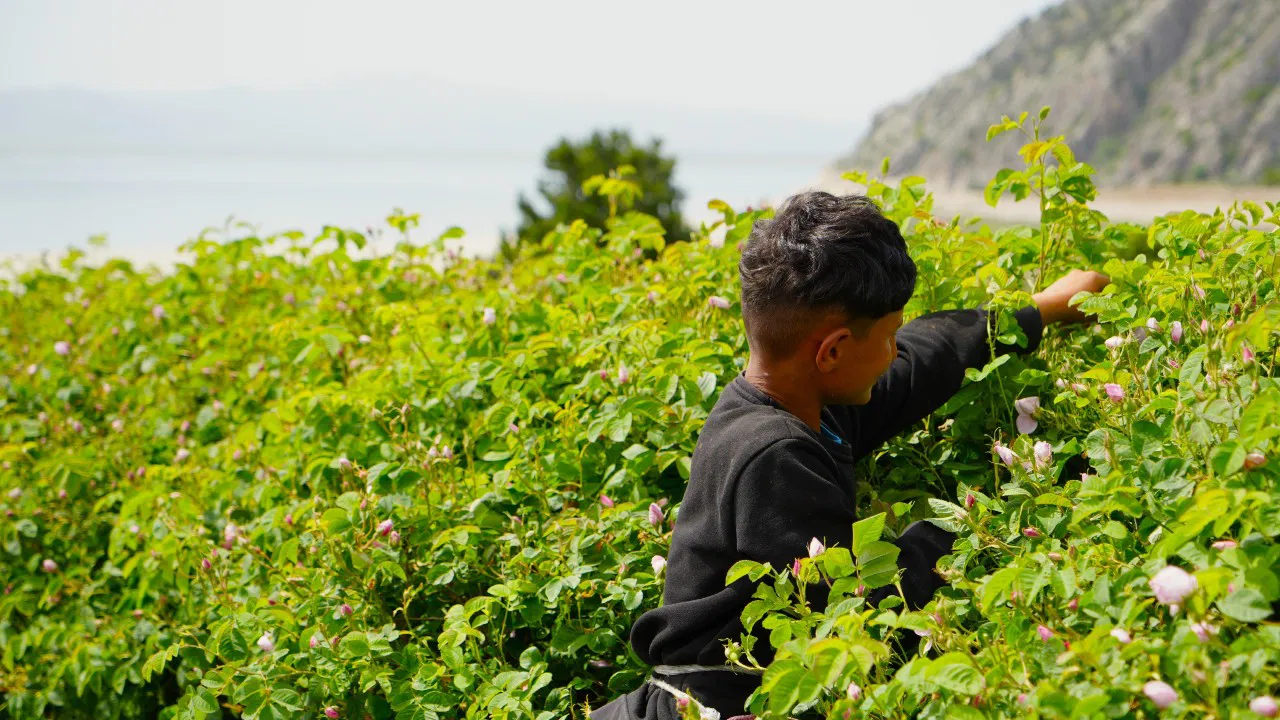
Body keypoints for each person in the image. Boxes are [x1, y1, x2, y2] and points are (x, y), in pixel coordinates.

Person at [589, 191, 1109, 719]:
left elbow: (920, 360)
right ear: (833, 352)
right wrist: (984, 524)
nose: (893, 353)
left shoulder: (790, 400)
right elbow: (863, 599)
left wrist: (1039, 311)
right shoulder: (775, 457)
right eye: (886, 338)